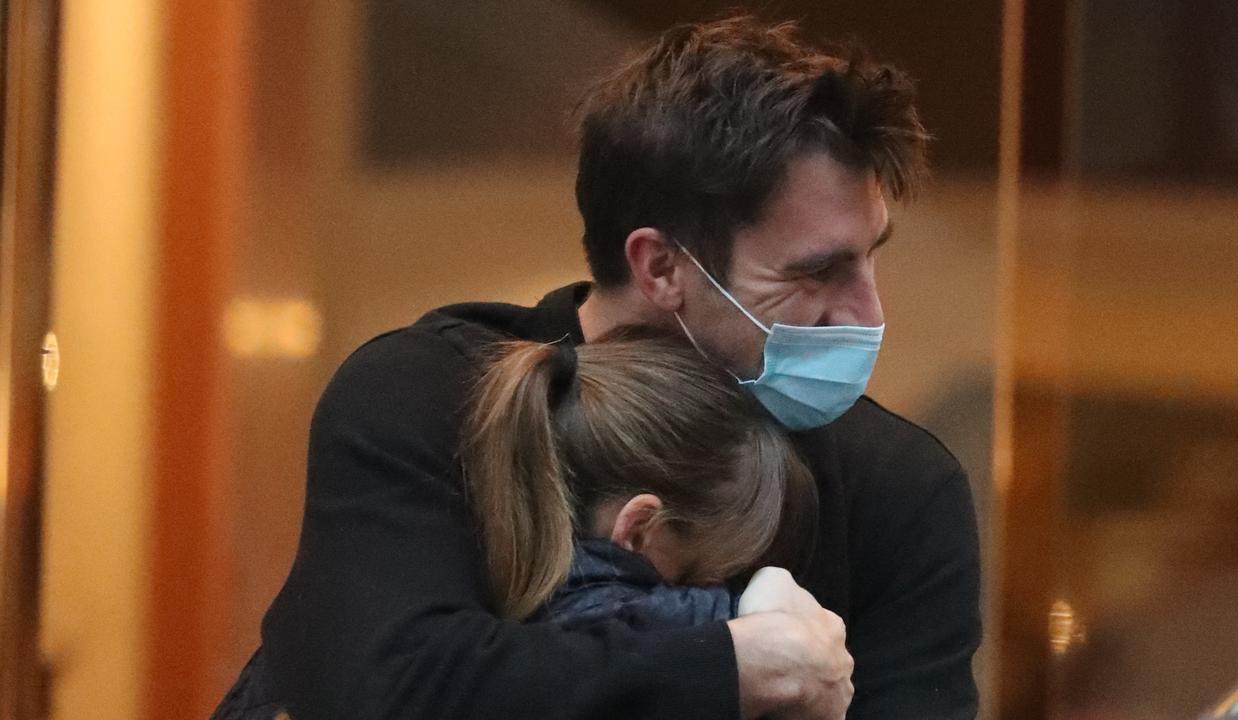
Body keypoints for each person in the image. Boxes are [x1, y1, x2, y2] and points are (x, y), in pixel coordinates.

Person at [222, 14, 981, 720]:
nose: (866, 315)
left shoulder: (900, 491)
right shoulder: (426, 399)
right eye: (816, 272)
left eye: (869, 260)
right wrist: (735, 666)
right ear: (660, 267)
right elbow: (395, 686)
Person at [461, 329, 817, 631]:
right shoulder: (598, 620)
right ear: (638, 530)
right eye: (704, 579)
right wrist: (761, 616)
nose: (718, 591)